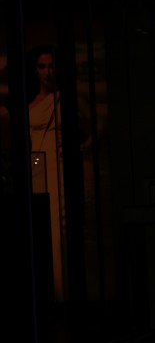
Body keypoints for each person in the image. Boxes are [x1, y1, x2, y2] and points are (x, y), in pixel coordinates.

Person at [26, 45, 93, 301]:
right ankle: (48, 293)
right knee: (41, 230)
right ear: (35, 70)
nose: (47, 71)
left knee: (58, 231)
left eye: (51, 66)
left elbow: (92, 127)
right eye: (42, 66)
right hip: (36, 167)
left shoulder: (66, 98)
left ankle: (63, 294)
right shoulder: (32, 103)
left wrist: (82, 147)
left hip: (57, 166)